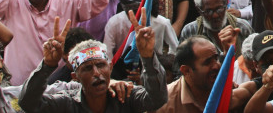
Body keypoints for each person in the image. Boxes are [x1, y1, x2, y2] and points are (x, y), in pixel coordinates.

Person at [18, 11, 168, 112]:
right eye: (87, 68)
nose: (96, 73)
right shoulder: (67, 103)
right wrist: (47, 65)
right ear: (75, 77)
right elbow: (27, 104)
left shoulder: (124, 96)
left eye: (100, 65)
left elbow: (157, 99)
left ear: (110, 68)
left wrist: (147, 57)